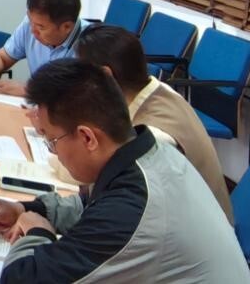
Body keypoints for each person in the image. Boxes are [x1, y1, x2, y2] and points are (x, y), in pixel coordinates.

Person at [0, 60, 248, 283]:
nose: (53, 151)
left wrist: (37, 232)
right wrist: (25, 209)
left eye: (51, 140)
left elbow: (21, 279)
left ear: (88, 138)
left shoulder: (130, 209)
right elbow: (92, 206)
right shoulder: (150, 154)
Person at [73, 24, 234, 222]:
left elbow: (119, 207)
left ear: (106, 75)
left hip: (194, 232)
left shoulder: (152, 137)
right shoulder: (157, 90)